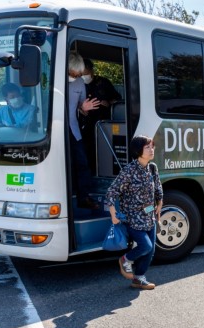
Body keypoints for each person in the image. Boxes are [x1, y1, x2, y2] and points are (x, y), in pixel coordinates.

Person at [105, 135, 163, 290]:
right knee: (145, 245)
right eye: (147, 147)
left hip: (149, 215)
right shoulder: (129, 170)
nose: (151, 150)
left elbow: (158, 188)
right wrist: (113, 214)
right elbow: (111, 192)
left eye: (152, 146)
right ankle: (125, 259)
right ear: (139, 150)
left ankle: (138, 279)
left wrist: (159, 205)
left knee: (151, 250)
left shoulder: (152, 168)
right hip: (133, 217)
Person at [68, 52, 101, 209]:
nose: (77, 76)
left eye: (79, 74)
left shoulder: (80, 83)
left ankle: (84, 198)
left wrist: (84, 108)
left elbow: (83, 109)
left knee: (82, 163)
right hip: (52, 129)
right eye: (74, 73)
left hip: (73, 129)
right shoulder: (51, 77)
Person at [80, 58, 122, 170]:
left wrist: (109, 103)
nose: (84, 76)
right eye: (82, 73)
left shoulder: (103, 82)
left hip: (103, 123)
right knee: (86, 150)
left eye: (86, 73)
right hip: (84, 124)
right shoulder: (78, 83)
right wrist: (81, 108)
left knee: (103, 150)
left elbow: (117, 99)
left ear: (91, 70)